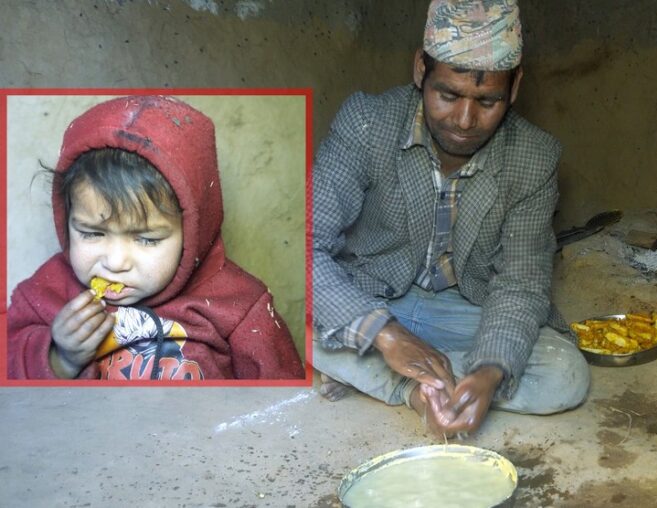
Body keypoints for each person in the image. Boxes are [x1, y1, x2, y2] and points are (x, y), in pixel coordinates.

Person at [312, 0, 589, 437]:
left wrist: (490, 371)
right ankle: (412, 387)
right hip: (374, 296)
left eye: (487, 101)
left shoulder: (534, 156)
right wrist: (384, 334)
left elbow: (520, 283)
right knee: (280, 310)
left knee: (566, 375)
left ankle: (406, 380)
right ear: (421, 69)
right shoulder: (367, 123)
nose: (464, 120)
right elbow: (306, 246)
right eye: (448, 94)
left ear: (514, 88)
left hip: (467, 309)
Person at [7, 96, 306, 380]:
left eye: (147, 239)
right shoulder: (46, 294)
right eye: (92, 233)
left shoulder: (239, 307)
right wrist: (61, 359)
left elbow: (282, 399)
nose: (115, 263)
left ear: (193, 234)